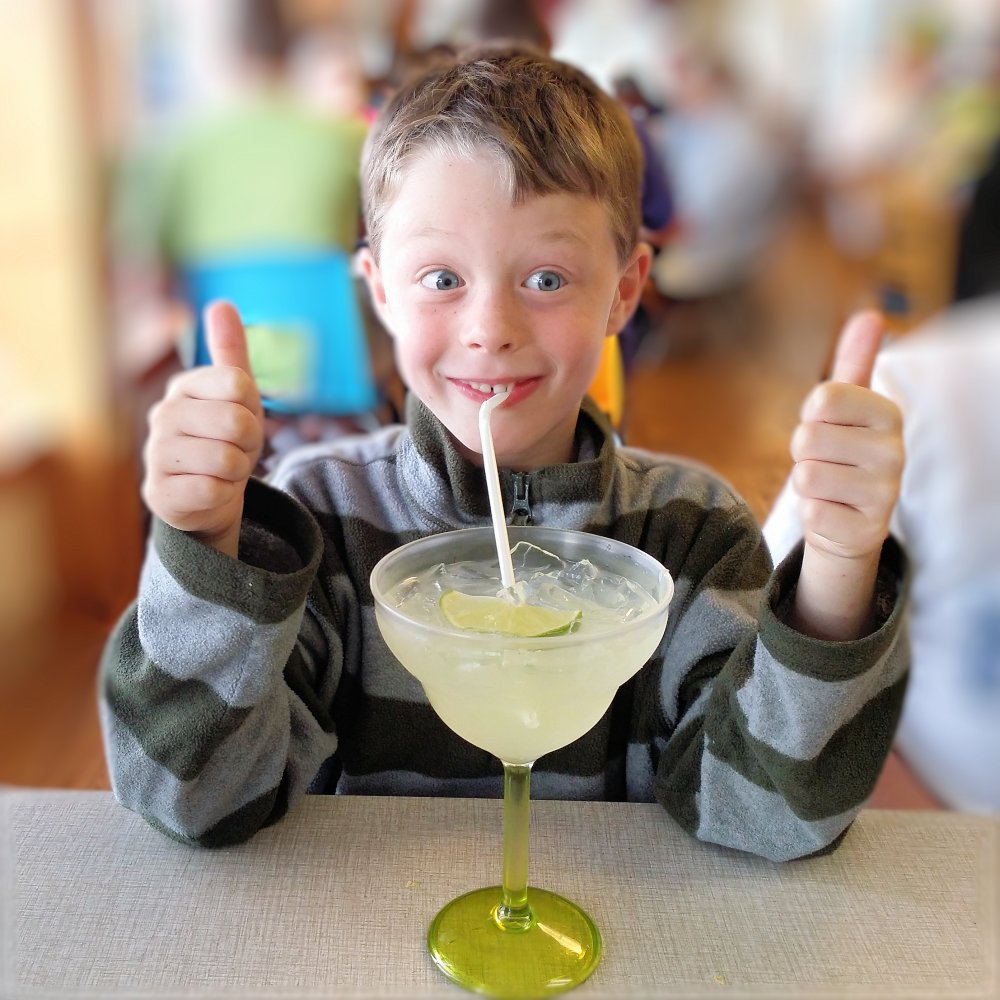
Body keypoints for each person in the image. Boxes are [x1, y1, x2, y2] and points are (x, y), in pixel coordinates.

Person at [99, 47, 909, 862]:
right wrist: (205, 544)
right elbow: (193, 798)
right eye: (441, 278)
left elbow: (763, 815)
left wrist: (839, 570)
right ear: (380, 290)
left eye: (547, 279)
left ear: (624, 291)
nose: (490, 329)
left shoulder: (690, 535)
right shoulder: (319, 519)